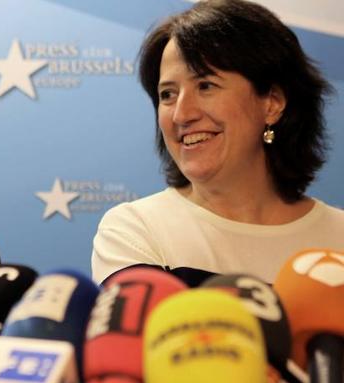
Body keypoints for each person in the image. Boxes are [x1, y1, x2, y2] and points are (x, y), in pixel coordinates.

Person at [91, 0, 344, 286]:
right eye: (167, 94)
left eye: (206, 86)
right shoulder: (136, 231)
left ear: (272, 103)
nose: (182, 114)